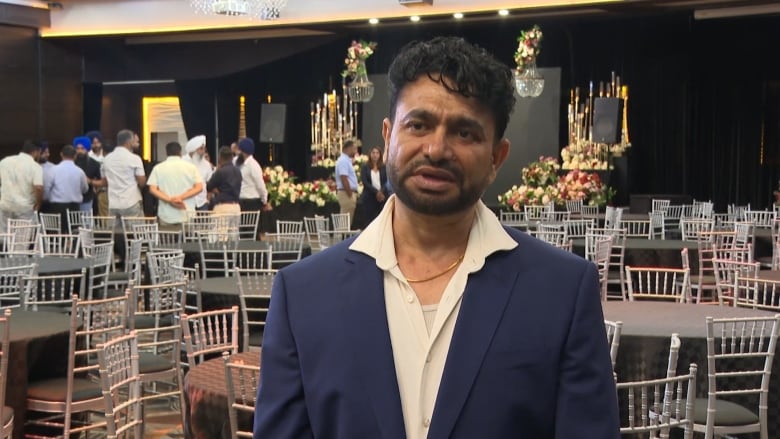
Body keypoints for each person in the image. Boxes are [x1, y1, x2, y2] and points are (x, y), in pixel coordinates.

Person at [253, 36, 619, 439]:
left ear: (497, 158)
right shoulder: (303, 293)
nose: (437, 149)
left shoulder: (562, 291)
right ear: (389, 135)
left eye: (465, 133)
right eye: (419, 125)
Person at [147, 141, 203, 227]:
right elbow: (199, 187)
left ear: (167, 153)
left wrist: (170, 200)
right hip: (187, 212)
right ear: (180, 152)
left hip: (166, 214)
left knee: (167, 239)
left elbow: (152, 189)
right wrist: (180, 197)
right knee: (187, 239)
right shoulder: (191, 167)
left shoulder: (158, 168)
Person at [101, 129, 146, 218]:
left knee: (116, 232)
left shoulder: (106, 159)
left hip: (113, 203)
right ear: (129, 142)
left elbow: (104, 182)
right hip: (131, 201)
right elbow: (142, 182)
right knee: (136, 231)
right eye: (135, 140)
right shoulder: (134, 158)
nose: (137, 142)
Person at [0, 141, 43, 233]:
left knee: (4, 237)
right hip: (24, 207)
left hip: (5, 204)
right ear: (36, 152)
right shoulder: (35, 166)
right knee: (21, 240)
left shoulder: (4, 161)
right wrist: (38, 203)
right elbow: (38, 187)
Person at [44, 144, 88, 232]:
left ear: (61, 154)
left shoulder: (53, 170)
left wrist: (46, 199)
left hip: (56, 207)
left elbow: (46, 188)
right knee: (73, 233)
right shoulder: (80, 172)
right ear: (75, 156)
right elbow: (85, 189)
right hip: (74, 208)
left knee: (56, 233)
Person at [235, 137, 270, 213]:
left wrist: (264, 200)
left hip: (251, 203)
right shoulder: (236, 161)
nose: (237, 152)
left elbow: (260, 185)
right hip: (238, 201)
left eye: (239, 150)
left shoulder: (254, 166)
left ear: (244, 151)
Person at [207, 145, 242, 215]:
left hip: (222, 207)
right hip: (236, 207)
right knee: (234, 226)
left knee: (220, 226)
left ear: (219, 158)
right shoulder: (238, 171)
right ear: (232, 157)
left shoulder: (221, 172)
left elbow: (208, 186)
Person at [73, 136, 104, 213]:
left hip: (87, 200)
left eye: (82, 148)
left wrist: (90, 181)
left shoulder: (94, 164)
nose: (79, 151)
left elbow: (102, 182)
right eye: (77, 148)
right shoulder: (71, 163)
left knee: (86, 223)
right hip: (71, 200)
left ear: (87, 149)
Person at [359, 145, 388, 227]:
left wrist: (381, 192)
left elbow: (386, 181)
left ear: (380, 155)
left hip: (381, 197)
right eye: (373, 153)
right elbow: (365, 182)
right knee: (369, 221)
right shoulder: (365, 167)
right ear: (370, 154)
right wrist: (376, 192)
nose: (375, 155)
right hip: (369, 197)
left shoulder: (383, 167)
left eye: (377, 153)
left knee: (381, 220)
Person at [183, 135, 214, 211]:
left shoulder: (206, 165)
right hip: (186, 202)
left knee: (204, 223)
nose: (203, 152)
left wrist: (208, 199)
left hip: (202, 202)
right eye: (201, 149)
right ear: (193, 149)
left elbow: (210, 183)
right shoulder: (182, 162)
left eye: (204, 149)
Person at [85, 130, 109, 216]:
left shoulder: (107, 154)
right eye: (93, 143)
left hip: (106, 190)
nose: (96, 145)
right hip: (92, 190)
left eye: (98, 142)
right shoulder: (88, 156)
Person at [335, 139, 358, 224]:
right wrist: (350, 193)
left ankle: (343, 237)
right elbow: (344, 178)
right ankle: (341, 237)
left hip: (347, 193)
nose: (355, 151)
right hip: (346, 193)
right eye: (354, 149)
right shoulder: (343, 161)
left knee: (347, 222)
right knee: (345, 222)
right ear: (348, 148)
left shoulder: (346, 160)